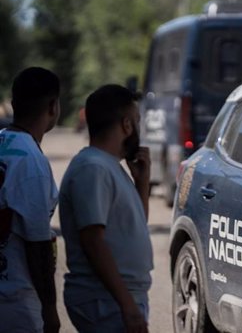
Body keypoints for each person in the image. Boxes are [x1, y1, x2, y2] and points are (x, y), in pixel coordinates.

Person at [59, 84, 152, 333]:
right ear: (127, 125)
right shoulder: (93, 168)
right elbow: (93, 241)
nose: (138, 128)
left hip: (116, 298)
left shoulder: (109, 166)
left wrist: (142, 184)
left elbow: (134, 227)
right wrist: (127, 306)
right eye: (137, 120)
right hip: (104, 299)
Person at [0, 67, 61, 333]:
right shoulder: (31, 163)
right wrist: (50, 310)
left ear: (13, 104)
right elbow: (38, 247)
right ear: (53, 106)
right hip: (15, 304)